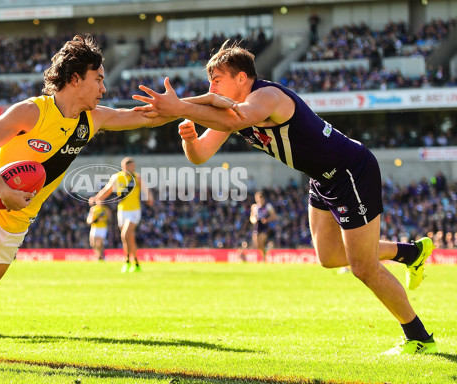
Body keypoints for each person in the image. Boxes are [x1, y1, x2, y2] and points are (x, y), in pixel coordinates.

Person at [133, 40, 437, 355]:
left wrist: (181, 106)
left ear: (241, 78)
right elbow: (200, 156)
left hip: (350, 171)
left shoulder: (265, 96)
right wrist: (190, 138)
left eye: (217, 79)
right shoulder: (231, 111)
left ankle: (419, 337)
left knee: (363, 266)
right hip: (323, 178)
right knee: (329, 257)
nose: (211, 86)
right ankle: (409, 252)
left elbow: (234, 120)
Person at [0, 34, 175, 368]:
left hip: (17, 224)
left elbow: (148, 117)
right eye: (99, 79)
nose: (104, 88)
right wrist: (3, 190)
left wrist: (189, 107)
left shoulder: (93, 119)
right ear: (76, 79)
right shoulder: (32, 112)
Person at [89, 157, 153, 273]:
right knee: (129, 238)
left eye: (134, 166)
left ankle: (127, 261)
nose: (133, 168)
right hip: (122, 211)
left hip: (134, 211)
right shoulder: (117, 177)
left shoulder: (136, 177)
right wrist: (96, 198)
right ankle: (136, 262)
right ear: (125, 167)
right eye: (131, 166)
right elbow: (107, 190)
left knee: (125, 234)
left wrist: (149, 197)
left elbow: (145, 189)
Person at [249, 191, 277, 258]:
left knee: (261, 241)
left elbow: (274, 216)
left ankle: (264, 256)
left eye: (260, 198)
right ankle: (264, 254)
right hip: (257, 225)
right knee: (257, 244)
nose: (259, 199)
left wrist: (267, 220)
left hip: (265, 226)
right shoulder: (254, 207)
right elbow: (251, 217)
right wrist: (254, 220)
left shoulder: (268, 206)